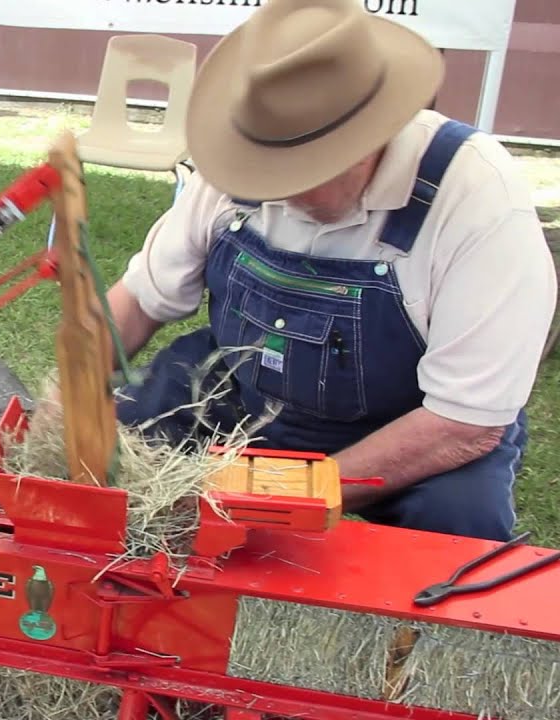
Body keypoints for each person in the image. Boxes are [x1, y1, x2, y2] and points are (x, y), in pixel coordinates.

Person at [103, 0, 558, 542]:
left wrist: (283, 496)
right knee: (123, 450)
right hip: (252, 396)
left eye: (299, 170)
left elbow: (464, 424)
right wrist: (69, 392)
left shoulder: (477, 197)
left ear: (372, 135)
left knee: (459, 524)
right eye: (262, 167)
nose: (277, 193)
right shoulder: (234, 164)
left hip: (410, 430)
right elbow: (137, 300)